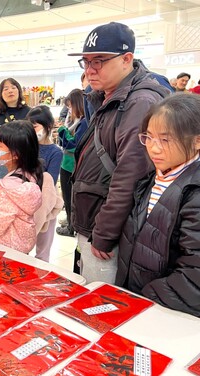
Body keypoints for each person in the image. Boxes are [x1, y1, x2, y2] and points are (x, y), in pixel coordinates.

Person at [68, 22, 170, 284]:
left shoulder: (138, 102)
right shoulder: (109, 95)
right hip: (95, 219)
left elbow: (130, 174)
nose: (90, 70)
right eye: (86, 61)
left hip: (108, 231)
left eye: (99, 61)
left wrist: (104, 232)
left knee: (101, 304)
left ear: (127, 59)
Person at [116, 93, 200, 317]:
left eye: (165, 139)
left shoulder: (194, 192)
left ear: (197, 140)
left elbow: (194, 277)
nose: (153, 148)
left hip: (164, 310)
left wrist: (148, 297)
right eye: (149, 137)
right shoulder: (154, 177)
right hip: (137, 298)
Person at [0, 120, 43, 254]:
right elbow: (15, 208)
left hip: (6, 247)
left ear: (15, 154)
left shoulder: (9, 188)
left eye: (0, 145)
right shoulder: (28, 175)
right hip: (21, 245)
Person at [26, 106, 63, 262]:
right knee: (22, 247)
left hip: (45, 204)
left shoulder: (55, 152)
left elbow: (50, 182)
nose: (32, 130)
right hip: (25, 203)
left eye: (35, 126)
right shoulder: (27, 146)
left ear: (48, 126)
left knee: (43, 251)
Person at [0, 78, 31, 192]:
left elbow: (33, 137)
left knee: (21, 197)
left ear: (19, 90)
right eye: (5, 89)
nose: (10, 91)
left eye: (13, 87)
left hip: (23, 162)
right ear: (1, 94)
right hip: (0, 163)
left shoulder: (29, 113)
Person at [56, 89, 88, 237]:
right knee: (68, 197)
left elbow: (73, 145)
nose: (69, 110)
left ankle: (71, 227)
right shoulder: (76, 121)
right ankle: (71, 222)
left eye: (70, 106)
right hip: (68, 163)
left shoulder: (84, 123)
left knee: (70, 199)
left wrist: (62, 131)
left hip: (72, 166)